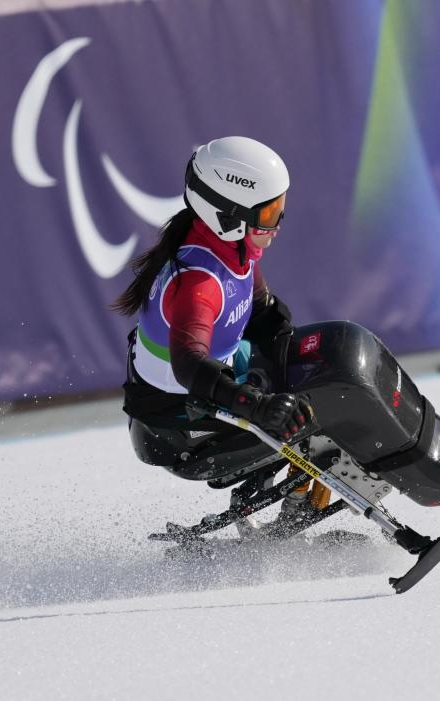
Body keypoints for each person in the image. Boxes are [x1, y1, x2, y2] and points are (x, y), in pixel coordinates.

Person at [113, 136, 325, 515]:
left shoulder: (232, 249)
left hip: (200, 393)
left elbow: (262, 312)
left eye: (279, 208)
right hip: (177, 430)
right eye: (269, 213)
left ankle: (281, 489)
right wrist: (258, 407)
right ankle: (297, 508)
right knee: (324, 413)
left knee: (323, 377)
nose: (278, 224)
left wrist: (289, 343)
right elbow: (190, 366)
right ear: (229, 217)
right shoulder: (198, 283)